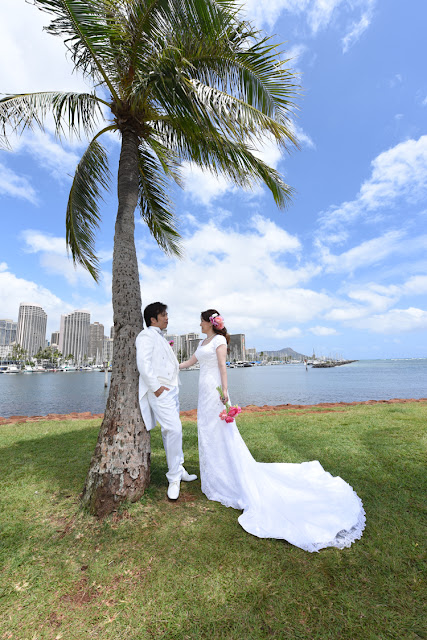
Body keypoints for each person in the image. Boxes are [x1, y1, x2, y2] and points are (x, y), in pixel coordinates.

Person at [179, 309, 366, 552]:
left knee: (222, 435)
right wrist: (172, 367)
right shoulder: (203, 342)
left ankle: (226, 479)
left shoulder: (219, 340)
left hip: (215, 392)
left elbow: (223, 368)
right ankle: (214, 478)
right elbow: (190, 363)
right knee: (207, 434)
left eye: (202, 321)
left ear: (210, 323)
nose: (199, 324)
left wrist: (225, 392)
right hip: (203, 394)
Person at [136, 302, 197, 500]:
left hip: (171, 390)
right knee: (174, 429)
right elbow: (143, 364)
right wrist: (156, 388)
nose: (167, 318)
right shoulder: (145, 335)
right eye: (164, 315)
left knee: (170, 430)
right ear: (153, 319)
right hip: (160, 391)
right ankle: (173, 478)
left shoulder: (160, 337)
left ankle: (179, 468)